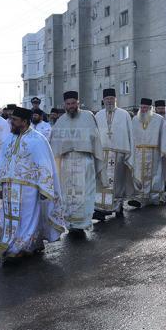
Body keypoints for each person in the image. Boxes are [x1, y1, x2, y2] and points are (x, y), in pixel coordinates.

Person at [0, 107, 65, 262]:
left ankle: (20, 248)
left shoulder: (37, 139)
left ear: (24, 121)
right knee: (13, 218)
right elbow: (2, 162)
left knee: (28, 217)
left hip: (29, 187)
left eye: (14, 120)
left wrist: (45, 188)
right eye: (10, 120)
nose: (11, 123)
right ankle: (26, 244)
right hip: (9, 187)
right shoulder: (10, 138)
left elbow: (44, 163)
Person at [50, 91, 106, 235]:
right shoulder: (61, 120)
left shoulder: (88, 116)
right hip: (67, 162)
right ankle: (70, 223)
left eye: (73, 103)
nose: (71, 106)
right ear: (64, 105)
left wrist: (97, 157)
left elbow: (96, 139)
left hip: (84, 160)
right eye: (68, 104)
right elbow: (54, 145)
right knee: (67, 193)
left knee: (86, 191)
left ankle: (83, 222)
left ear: (78, 103)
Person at [128, 98, 166, 208]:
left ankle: (155, 197)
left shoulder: (159, 120)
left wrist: (164, 151)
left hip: (155, 154)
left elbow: (165, 137)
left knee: (155, 176)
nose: (143, 110)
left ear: (150, 108)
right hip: (138, 154)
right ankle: (139, 198)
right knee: (139, 175)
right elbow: (131, 138)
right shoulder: (135, 120)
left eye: (146, 108)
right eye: (142, 107)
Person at [94, 88, 136, 220]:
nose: (109, 101)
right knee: (102, 182)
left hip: (119, 153)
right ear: (103, 100)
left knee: (117, 182)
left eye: (112, 98)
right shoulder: (98, 115)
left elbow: (129, 134)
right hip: (102, 154)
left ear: (116, 99)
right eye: (107, 99)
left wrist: (129, 153)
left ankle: (118, 206)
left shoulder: (124, 115)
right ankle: (101, 209)